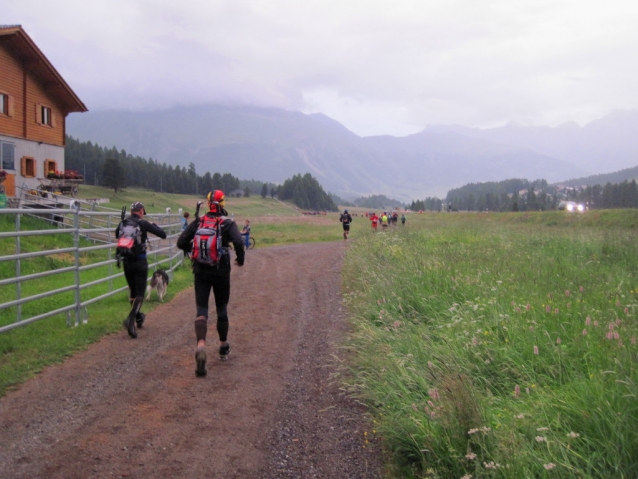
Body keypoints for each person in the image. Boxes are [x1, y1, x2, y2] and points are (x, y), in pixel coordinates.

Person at [177, 190, 245, 378]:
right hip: (221, 269)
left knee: (201, 310)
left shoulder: (199, 222)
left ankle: (200, 345)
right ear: (223, 203)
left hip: (200, 269)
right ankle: (223, 346)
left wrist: (196, 249)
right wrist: (240, 259)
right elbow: (239, 242)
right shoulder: (227, 223)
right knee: (221, 307)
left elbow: (181, 242)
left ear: (208, 204)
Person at [115, 202, 167, 339]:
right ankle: (131, 319)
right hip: (140, 261)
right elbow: (163, 235)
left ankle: (137, 318)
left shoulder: (123, 223)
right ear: (141, 211)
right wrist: (153, 225)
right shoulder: (143, 223)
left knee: (133, 292)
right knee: (140, 293)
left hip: (126, 261)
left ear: (132, 211)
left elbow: (117, 235)